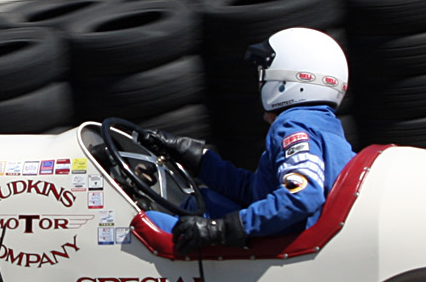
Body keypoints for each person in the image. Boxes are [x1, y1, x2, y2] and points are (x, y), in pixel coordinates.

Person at [140, 26, 355, 256]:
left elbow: (301, 195)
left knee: (141, 226)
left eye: (264, 77)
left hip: (285, 248)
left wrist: (222, 229)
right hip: (291, 238)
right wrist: (200, 159)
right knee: (206, 199)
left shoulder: (293, 126)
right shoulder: (327, 128)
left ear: (285, 82)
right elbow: (258, 193)